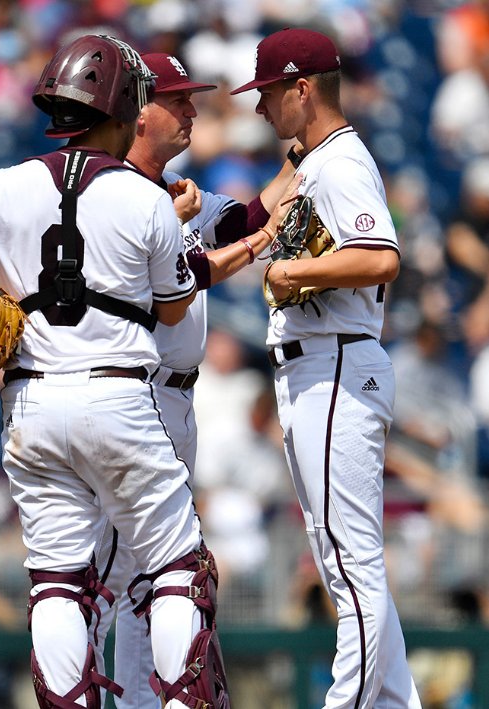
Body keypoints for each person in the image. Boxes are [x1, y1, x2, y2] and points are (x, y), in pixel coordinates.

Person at [0, 34, 229, 709]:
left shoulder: (1, 185)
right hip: (118, 395)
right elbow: (173, 315)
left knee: (56, 579)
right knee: (176, 564)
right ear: (122, 108)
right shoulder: (145, 199)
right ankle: (177, 702)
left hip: (31, 405)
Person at [91, 52, 300, 708]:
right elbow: (177, 279)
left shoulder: (173, 190)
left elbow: (241, 218)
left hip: (175, 401)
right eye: (176, 99)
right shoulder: (108, 192)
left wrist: (307, 153)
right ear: (138, 113)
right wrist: (251, 238)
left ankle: (141, 701)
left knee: (146, 579)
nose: (190, 110)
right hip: (127, 393)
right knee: (116, 574)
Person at [230, 27, 422, 708]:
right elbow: (250, 234)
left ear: (301, 89)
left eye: (268, 93)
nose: (259, 108)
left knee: (349, 563)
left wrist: (296, 267)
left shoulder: (341, 162)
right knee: (347, 562)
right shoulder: (314, 160)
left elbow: (380, 256)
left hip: (335, 366)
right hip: (318, 366)